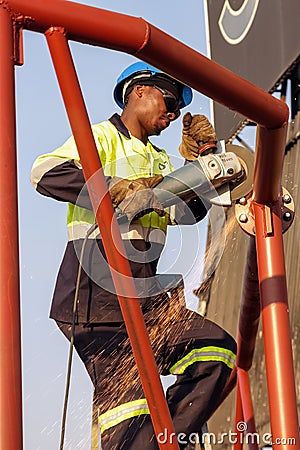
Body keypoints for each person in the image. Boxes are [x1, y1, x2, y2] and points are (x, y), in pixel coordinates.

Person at [31, 61, 236, 450]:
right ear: (139, 90)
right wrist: (116, 188)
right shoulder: (103, 137)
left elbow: (184, 214)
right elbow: (44, 171)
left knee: (216, 352)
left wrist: (201, 170)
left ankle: (166, 442)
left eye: (177, 109)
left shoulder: (158, 159)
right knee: (128, 414)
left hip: (143, 302)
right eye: (169, 100)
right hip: (96, 300)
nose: (173, 114)